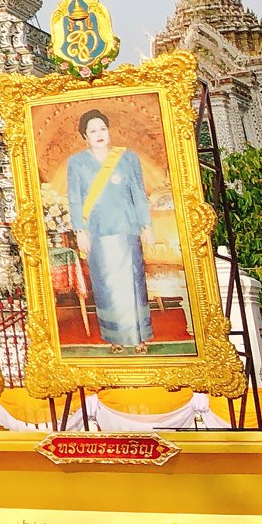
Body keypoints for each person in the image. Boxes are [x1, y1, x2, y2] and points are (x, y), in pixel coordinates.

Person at [65, 109, 154, 351]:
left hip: (127, 228)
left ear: (109, 130)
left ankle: (139, 337)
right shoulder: (77, 163)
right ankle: (115, 338)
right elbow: (75, 198)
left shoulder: (127, 158)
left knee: (132, 282)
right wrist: (80, 231)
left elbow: (138, 192)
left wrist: (146, 225)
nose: (99, 134)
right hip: (97, 232)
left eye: (102, 128)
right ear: (85, 136)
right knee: (107, 285)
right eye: (93, 131)